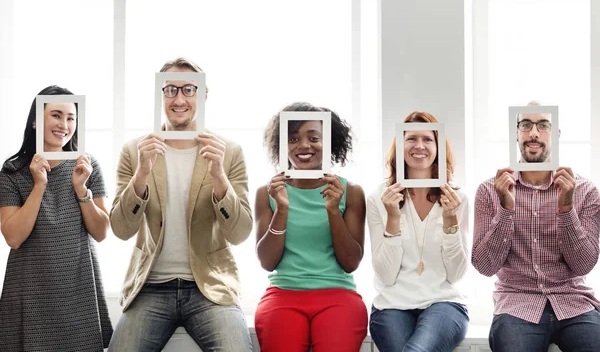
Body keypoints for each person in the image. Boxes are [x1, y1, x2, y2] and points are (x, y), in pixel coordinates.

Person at [108, 57, 253, 352]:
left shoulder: (229, 152)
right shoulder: (135, 151)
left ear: (203, 95)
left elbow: (239, 234)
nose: (179, 99)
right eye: (170, 90)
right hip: (151, 287)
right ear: (160, 95)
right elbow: (121, 230)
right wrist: (142, 174)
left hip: (209, 288)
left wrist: (220, 179)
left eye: (189, 89)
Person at [473, 102, 600, 352]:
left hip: (573, 302)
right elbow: (485, 266)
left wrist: (566, 207)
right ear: (516, 133)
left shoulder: (585, 191)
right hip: (516, 305)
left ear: (556, 135)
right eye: (525, 125)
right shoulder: (490, 191)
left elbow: (584, 265)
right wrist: (506, 209)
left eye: (543, 125)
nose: (533, 133)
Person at [0, 85, 113, 352]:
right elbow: (13, 238)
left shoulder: (87, 166)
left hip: (78, 289)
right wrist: (39, 185)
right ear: (36, 120)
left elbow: (101, 232)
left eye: (71, 117)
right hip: (29, 292)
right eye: (56, 115)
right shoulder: (12, 172)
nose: (64, 124)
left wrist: (81, 189)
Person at [254, 102, 368, 352]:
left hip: (338, 294)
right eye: (293, 138)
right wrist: (282, 210)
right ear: (283, 145)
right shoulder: (268, 193)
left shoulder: (351, 192)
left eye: (314, 138)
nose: (303, 145)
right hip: (283, 294)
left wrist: (332, 210)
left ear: (329, 143)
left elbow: (350, 262)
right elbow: (267, 262)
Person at [367, 111, 469, 352]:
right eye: (411, 138)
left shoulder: (457, 198)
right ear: (400, 146)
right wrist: (393, 217)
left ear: (438, 147)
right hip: (391, 305)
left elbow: (456, 274)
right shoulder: (379, 197)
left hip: (444, 303)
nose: (419, 146)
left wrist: (449, 219)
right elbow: (386, 275)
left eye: (427, 139)